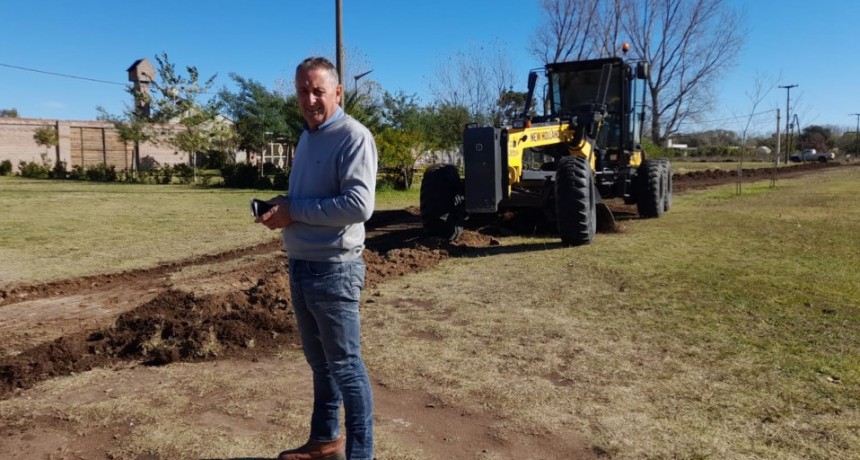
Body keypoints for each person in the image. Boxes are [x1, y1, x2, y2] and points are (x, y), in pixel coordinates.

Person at [255, 56, 377, 460]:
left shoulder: (354, 136)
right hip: (301, 263)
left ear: (337, 92)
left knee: (347, 367)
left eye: (318, 90)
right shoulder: (307, 137)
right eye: (303, 91)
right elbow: (313, 197)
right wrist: (283, 206)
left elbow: (359, 205)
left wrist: (296, 211)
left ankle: (361, 455)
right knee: (320, 363)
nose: (310, 99)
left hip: (335, 270)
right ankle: (325, 440)